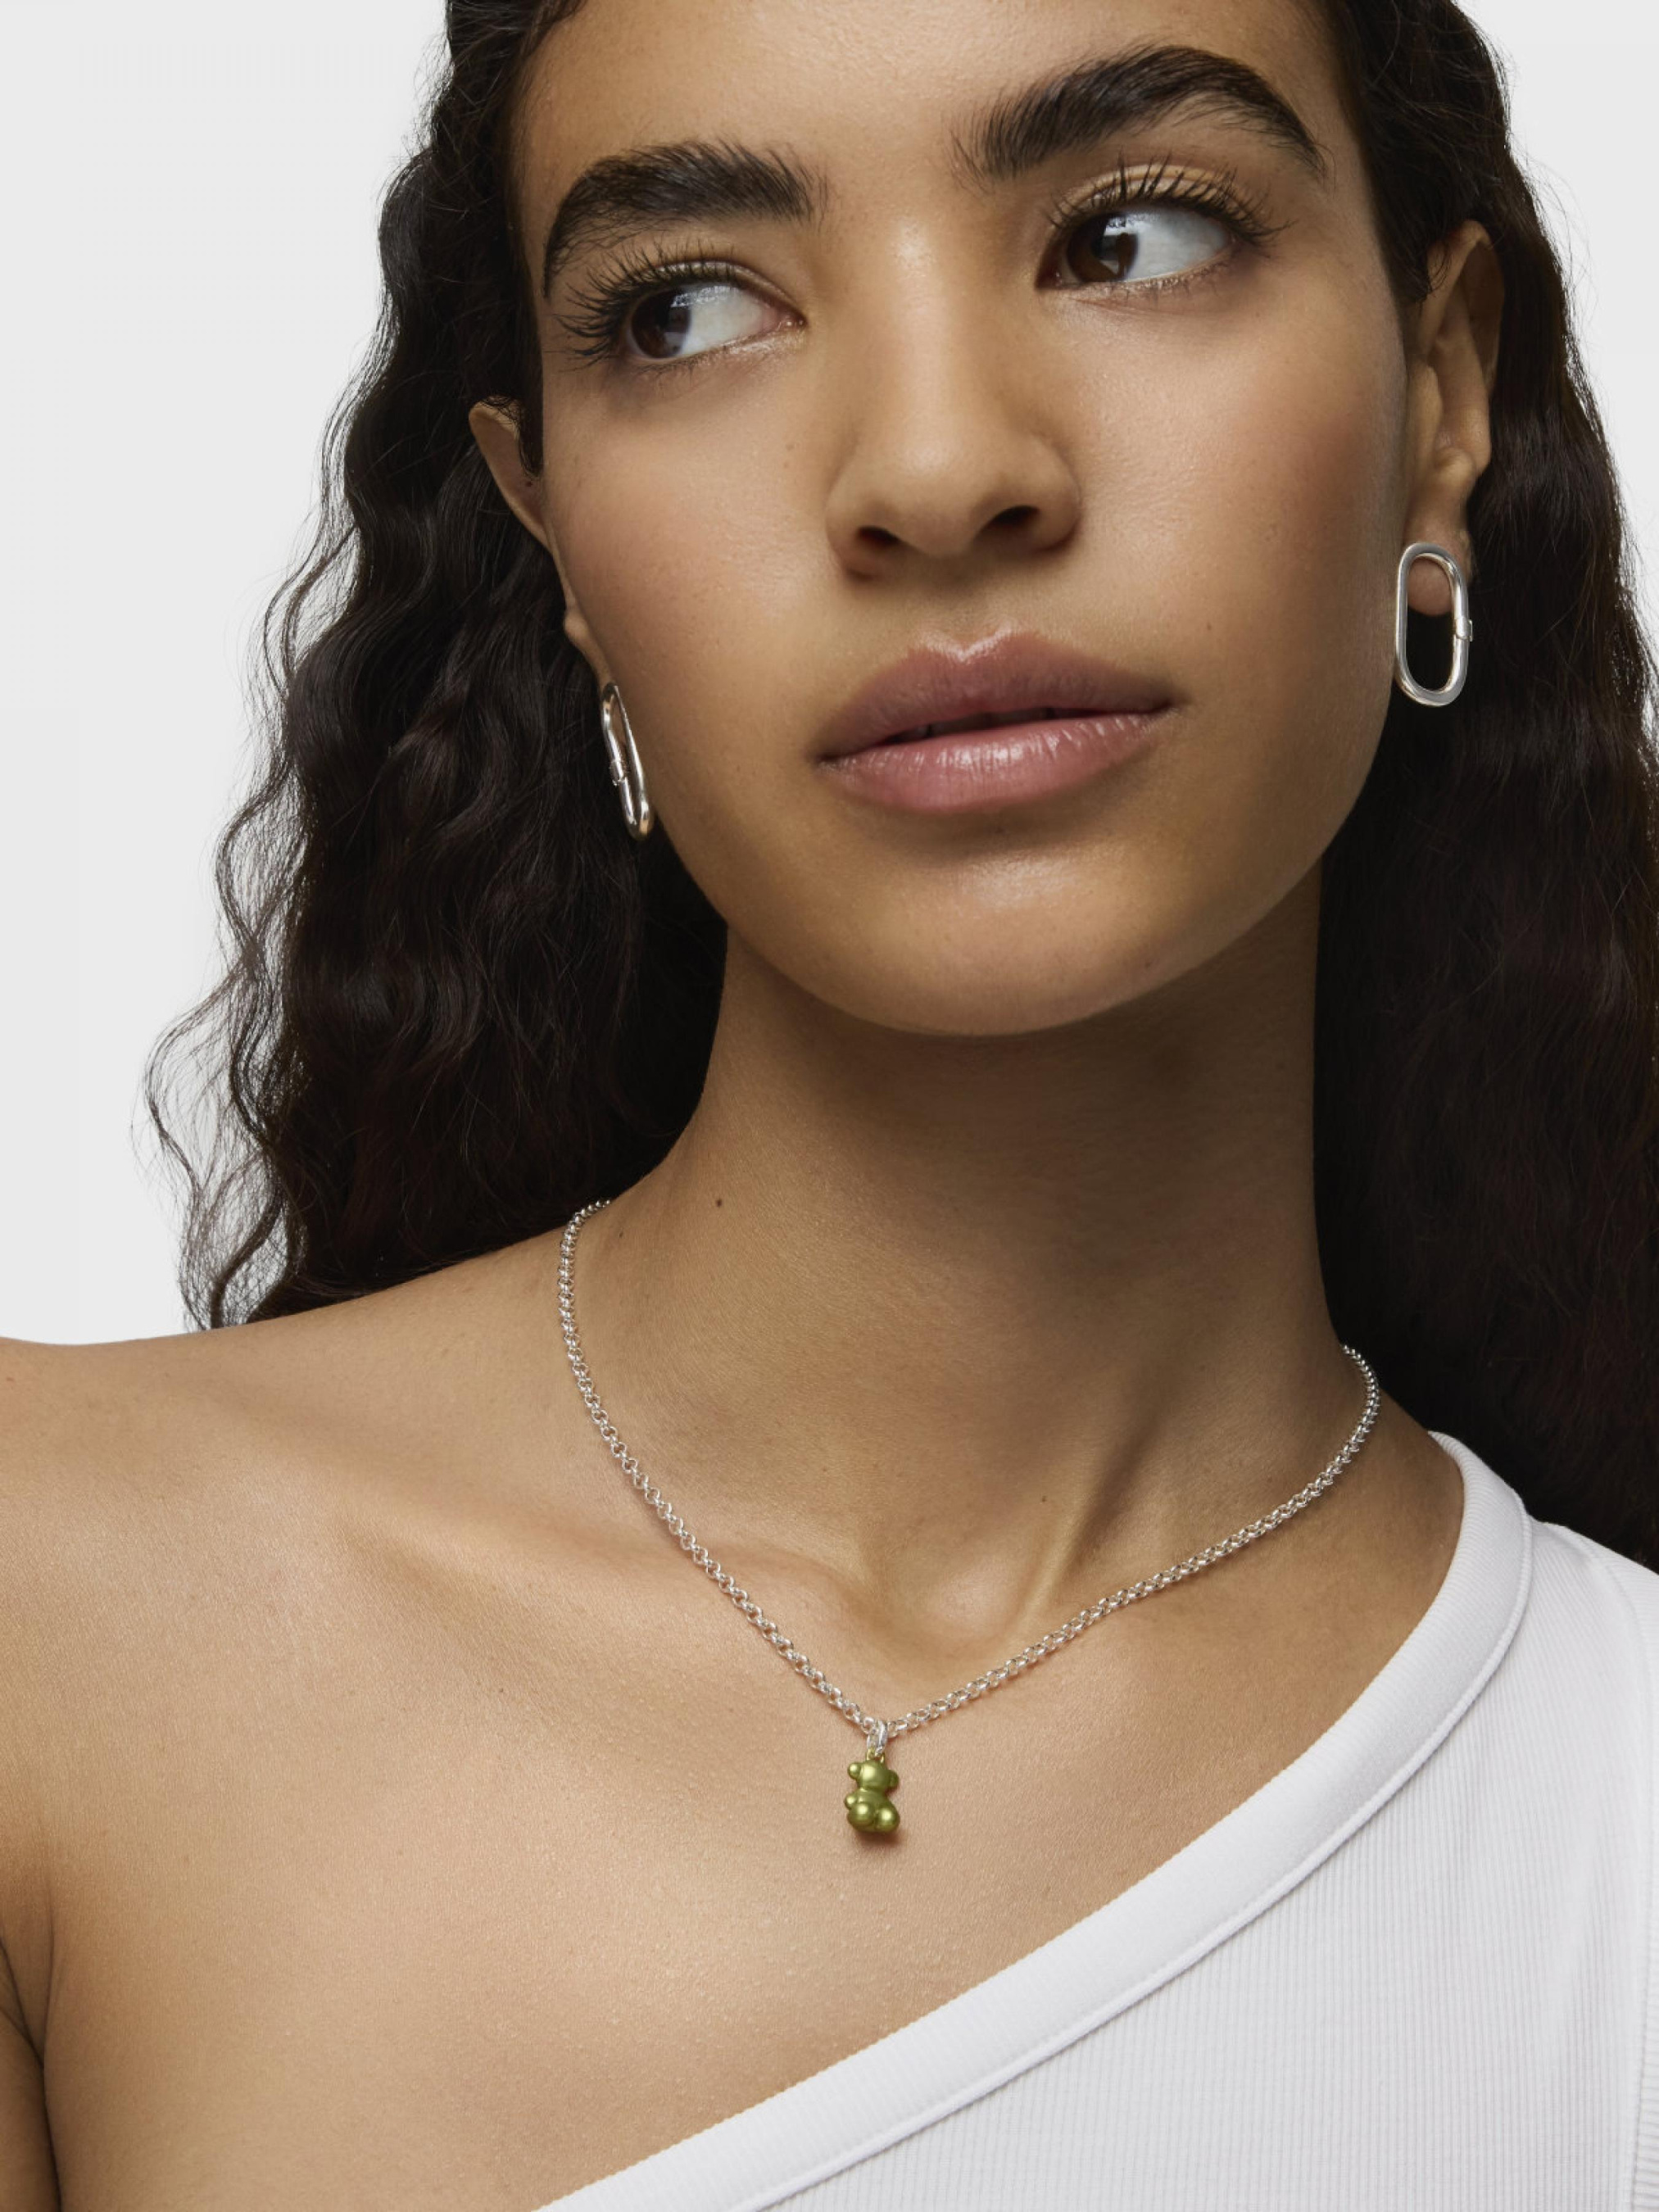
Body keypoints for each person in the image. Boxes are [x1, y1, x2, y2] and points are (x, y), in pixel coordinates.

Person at [3, 0, 1657, 2203]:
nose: (940, 471)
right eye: (690, 310)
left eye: (1131, 237)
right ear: (549, 527)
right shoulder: (48, 1615)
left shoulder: (1618, 1815)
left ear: (1441, 392)